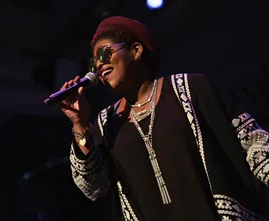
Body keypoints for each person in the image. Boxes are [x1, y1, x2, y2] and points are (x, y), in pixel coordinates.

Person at [57, 16, 269, 221]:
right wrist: (80, 123)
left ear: (136, 51)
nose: (99, 66)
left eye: (105, 54)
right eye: (93, 63)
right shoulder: (106, 123)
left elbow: (252, 143)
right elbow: (93, 187)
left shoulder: (191, 89)